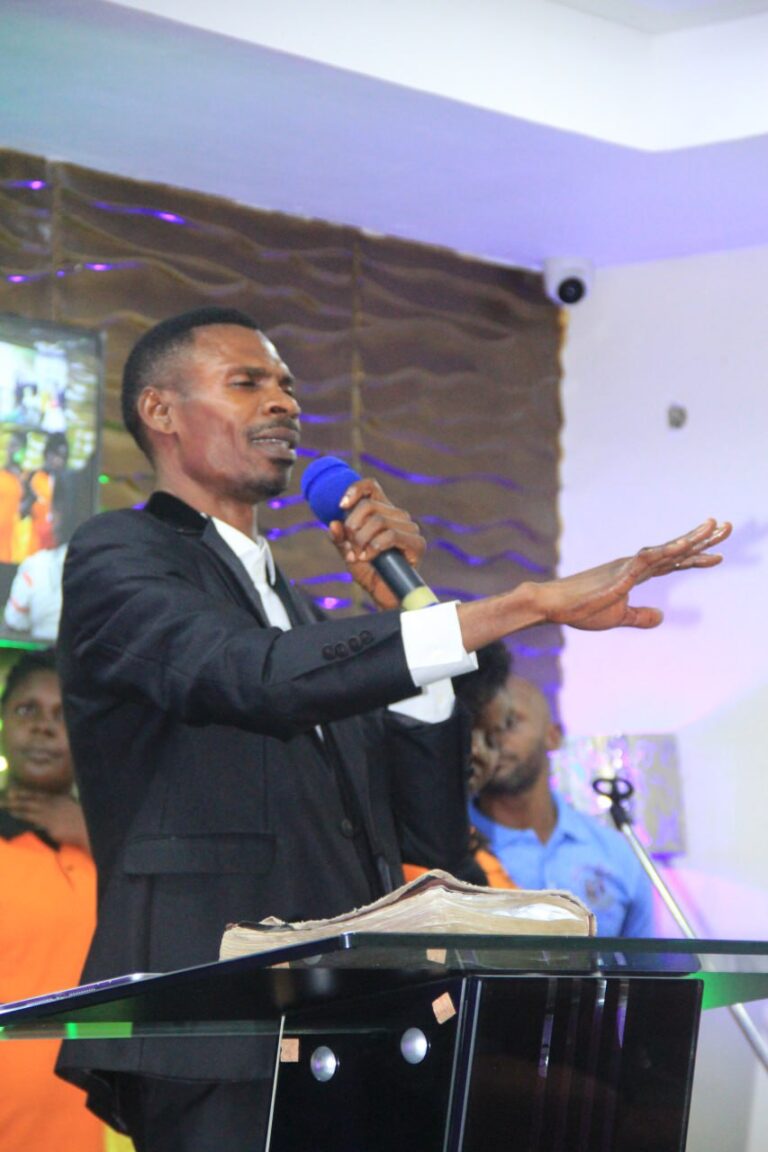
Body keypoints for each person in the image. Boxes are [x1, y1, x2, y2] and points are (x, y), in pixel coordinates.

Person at [53, 306, 729, 1151]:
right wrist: (524, 604)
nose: (283, 402)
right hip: (214, 1026)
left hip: (353, 1027)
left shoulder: (301, 614)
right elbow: (252, 677)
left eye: (287, 385)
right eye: (247, 382)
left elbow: (427, 833)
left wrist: (412, 613)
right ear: (160, 410)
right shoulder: (118, 555)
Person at [462, 647, 654, 936]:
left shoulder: (614, 852)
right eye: (480, 726)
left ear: (553, 736)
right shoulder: (456, 846)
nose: (494, 738)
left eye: (508, 723)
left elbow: (642, 961)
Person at [0, 650, 103, 1152]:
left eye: (63, 715)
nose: (43, 727)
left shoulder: (117, 854)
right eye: (28, 710)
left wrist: (93, 834)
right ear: (3, 722)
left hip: (100, 1126)